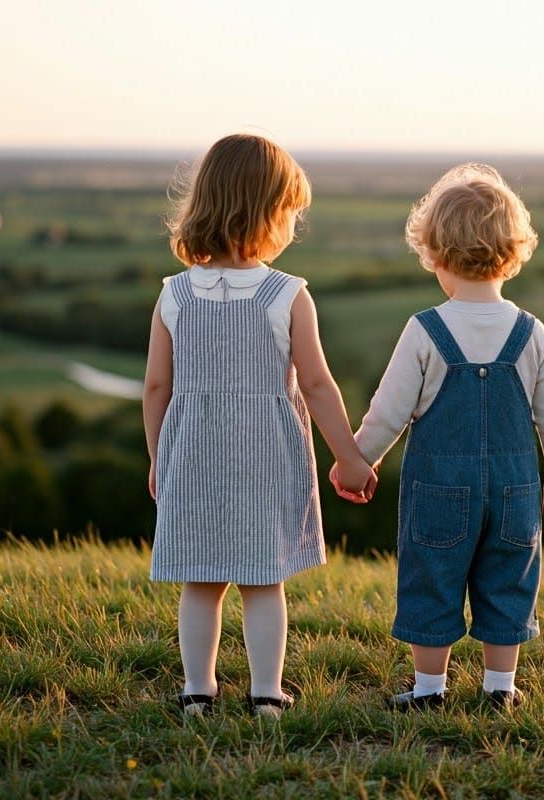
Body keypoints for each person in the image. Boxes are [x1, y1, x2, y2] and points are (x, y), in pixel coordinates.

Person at [143, 133, 377, 719]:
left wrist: (157, 458)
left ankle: (198, 690)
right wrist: (349, 454)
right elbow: (319, 384)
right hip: (265, 458)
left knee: (200, 581)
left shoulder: (172, 295)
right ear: (267, 213)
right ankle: (267, 694)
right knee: (262, 582)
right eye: (290, 212)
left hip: (192, 455)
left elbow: (155, 388)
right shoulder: (287, 294)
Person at [347, 163, 544, 710]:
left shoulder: (424, 328)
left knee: (433, 576)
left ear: (436, 254)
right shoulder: (532, 332)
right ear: (513, 252)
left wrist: (358, 460)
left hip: (437, 487)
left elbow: (389, 411)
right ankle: (501, 688)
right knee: (508, 578)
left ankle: (430, 689)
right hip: (516, 488)